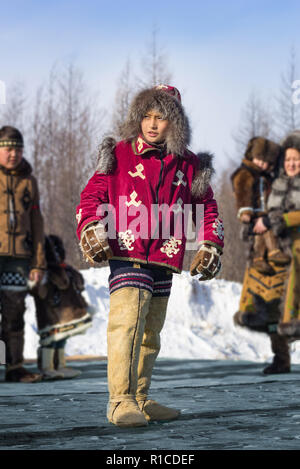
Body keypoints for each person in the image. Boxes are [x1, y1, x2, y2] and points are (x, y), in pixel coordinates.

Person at [76, 84, 224, 427]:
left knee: (150, 331)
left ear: (176, 123)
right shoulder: (120, 153)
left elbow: (208, 208)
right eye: (147, 115)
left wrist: (210, 243)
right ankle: (120, 401)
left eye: (162, 117)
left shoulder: (190, 165)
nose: (153, 124)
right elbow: (92, 195)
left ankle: (140, 398)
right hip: (126, 249)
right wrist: (90, 227)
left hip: (165, 254)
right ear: (138, 117)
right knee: (127, 323)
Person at [232, 136, 291, 374]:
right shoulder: (249, 176)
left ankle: (282, 358)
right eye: (260, 160)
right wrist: (249, 217)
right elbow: (243, 197)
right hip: (263, 256)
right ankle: (281, 358)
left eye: (268, 162)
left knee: (282, 307)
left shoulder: (275, 180)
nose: (264, 165)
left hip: (282, 250)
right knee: (268, 308)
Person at [0, 126, 46, 382]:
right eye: (7, 149)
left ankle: (14, 368)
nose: (13, 154)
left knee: (14, 314)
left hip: (18, 258)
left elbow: (37, 222)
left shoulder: (29, 180)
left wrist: (38, 262)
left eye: (18, 149)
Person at [262, 130, 300, 370]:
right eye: (288, 159)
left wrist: (283, 219)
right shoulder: (277, 184)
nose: (292, 164)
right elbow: (268, 216)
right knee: (272, 302)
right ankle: (281, 357)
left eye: (296, 159)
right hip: (278, 249)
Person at [31, 234, 93, 380]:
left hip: (63, 313)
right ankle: (47, 368)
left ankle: (59, 365)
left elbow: (78, 283)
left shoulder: (65, 269)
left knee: (61, 339)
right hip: (50, 313)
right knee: (50, 340)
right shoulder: (45, 272)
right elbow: (56, 285)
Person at [231, 136, 290, 275]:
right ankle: (257, 259)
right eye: (259, 159)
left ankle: (273, 252)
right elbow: (242, 192)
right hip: (253, 212)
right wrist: (245, 211)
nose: (262, 164)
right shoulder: (245, 173)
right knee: (258, 236)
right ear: (252, 156)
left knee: (267, 231)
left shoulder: (266, 177)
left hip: (265, 212)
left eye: (265, 162)